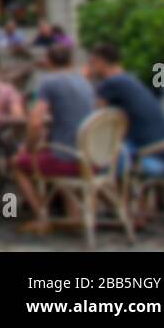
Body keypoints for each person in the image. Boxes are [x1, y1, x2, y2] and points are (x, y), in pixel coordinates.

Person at [12, 44, 96, 233]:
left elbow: (35, 122)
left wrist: (28, 148)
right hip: (91, 158)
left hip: (68, 159)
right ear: (72, 61)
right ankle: (73, 218)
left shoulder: (49, 82)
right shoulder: (85, 82)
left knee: (18, 163)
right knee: (58, 152)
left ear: (48, 61)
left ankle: (43, 216)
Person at [86, 43, 164, 171]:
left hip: (145, 157)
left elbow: (95, 121)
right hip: (162, 154)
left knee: (93, 163)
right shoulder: (131, 79)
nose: (90, 67)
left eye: (92, 63)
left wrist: (83, 79)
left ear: (100, 62)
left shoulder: (111, 83)